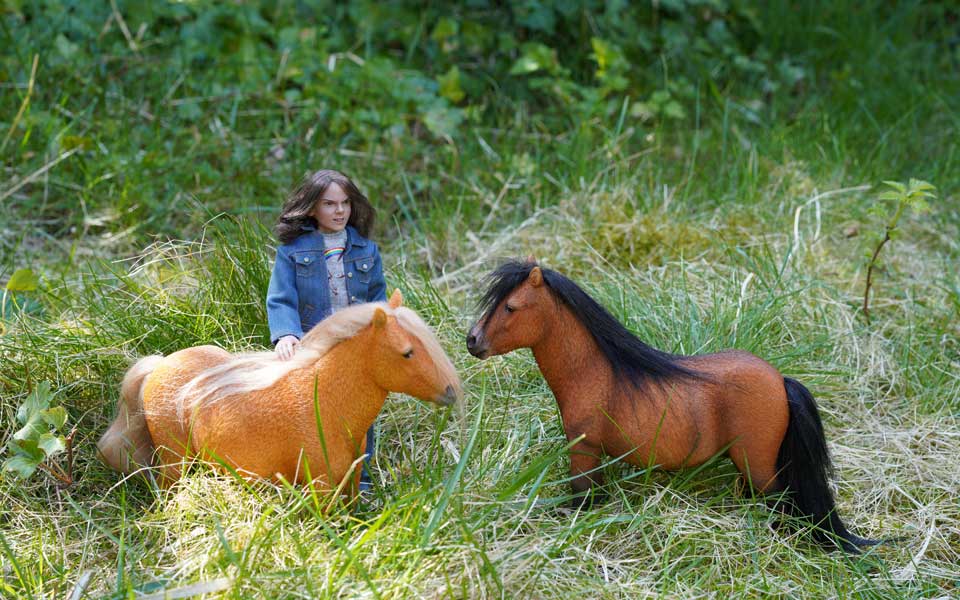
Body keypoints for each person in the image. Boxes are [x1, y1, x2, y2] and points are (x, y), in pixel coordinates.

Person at [266, 169, 386, 492]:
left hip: (356, 347)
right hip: (314, 346)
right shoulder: (292, 253)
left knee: (361, 411)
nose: (340, 211)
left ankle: (361, 479)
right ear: (311, 208)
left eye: (346, 203)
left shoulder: (366, 252)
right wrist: (286, 333)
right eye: (330, 204)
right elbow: (281, 298)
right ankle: (313, 474)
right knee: (313, 410)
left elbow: (378, 300)